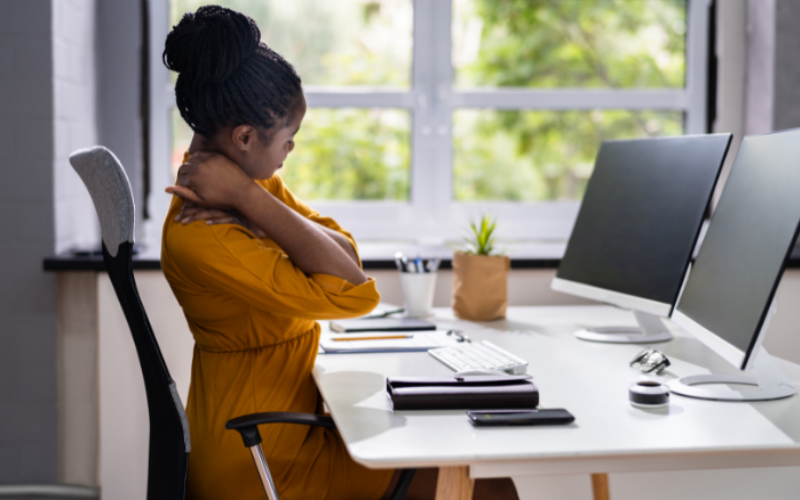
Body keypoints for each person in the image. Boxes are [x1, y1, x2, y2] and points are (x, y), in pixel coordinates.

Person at [162, 5, 518, 500]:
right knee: (489, 487)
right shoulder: (204, 232)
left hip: (280, 429)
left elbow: (345, 254)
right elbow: (353, 293)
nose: (289, 152)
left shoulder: (248, 183)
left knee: (466, 467)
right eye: (288, 140)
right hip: (259, 456)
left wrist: (254, 202)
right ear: (244, 137)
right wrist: (249, 199)